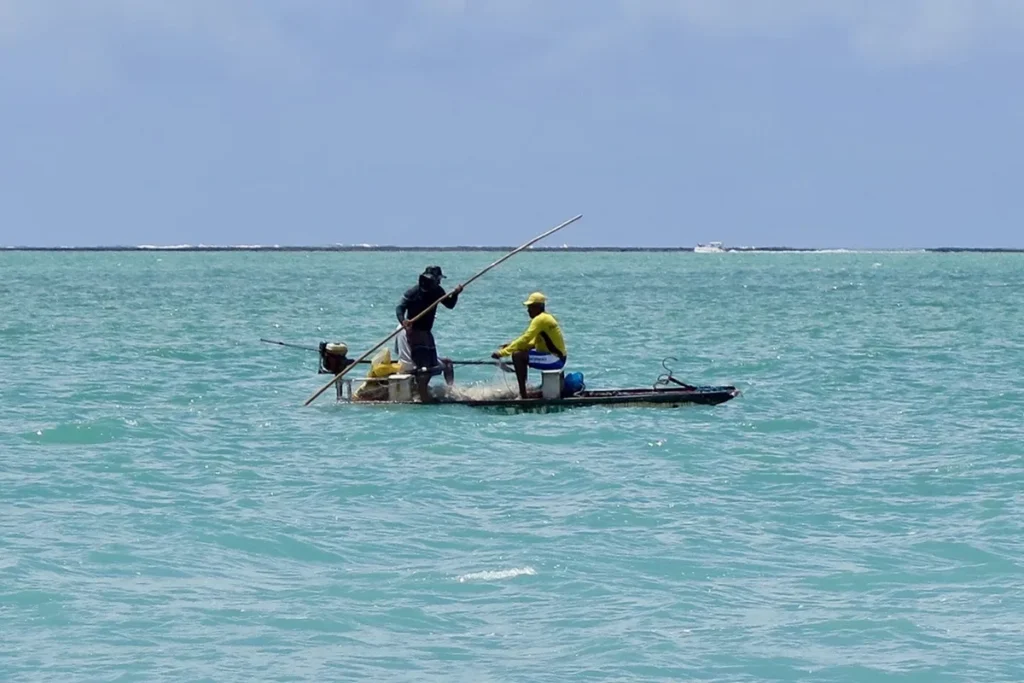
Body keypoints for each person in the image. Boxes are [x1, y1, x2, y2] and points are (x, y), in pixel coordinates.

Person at [395, 265, 464, 402]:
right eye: (438, 279)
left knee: (448, 364)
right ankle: (423, 397)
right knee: (424, 369)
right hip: (413, 333)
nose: (439, 282)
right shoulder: (413, 292)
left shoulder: (437, 291)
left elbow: (450, 305)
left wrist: (455, 294)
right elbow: (399, 307)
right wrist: (404, 321)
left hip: (426, 333)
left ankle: (450, 392)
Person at [492, 292, 567, 398]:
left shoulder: (540, 319)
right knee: (519, 353)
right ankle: (524, 390)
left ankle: (523, 395)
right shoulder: (544, 318)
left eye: (530, 307)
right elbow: (531, 343)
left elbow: (526, 338)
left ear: (538, 307)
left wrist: (502, 353)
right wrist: (511, 345)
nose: (528, 310)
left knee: (518, 356)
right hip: (554, 357)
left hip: (555, 359)